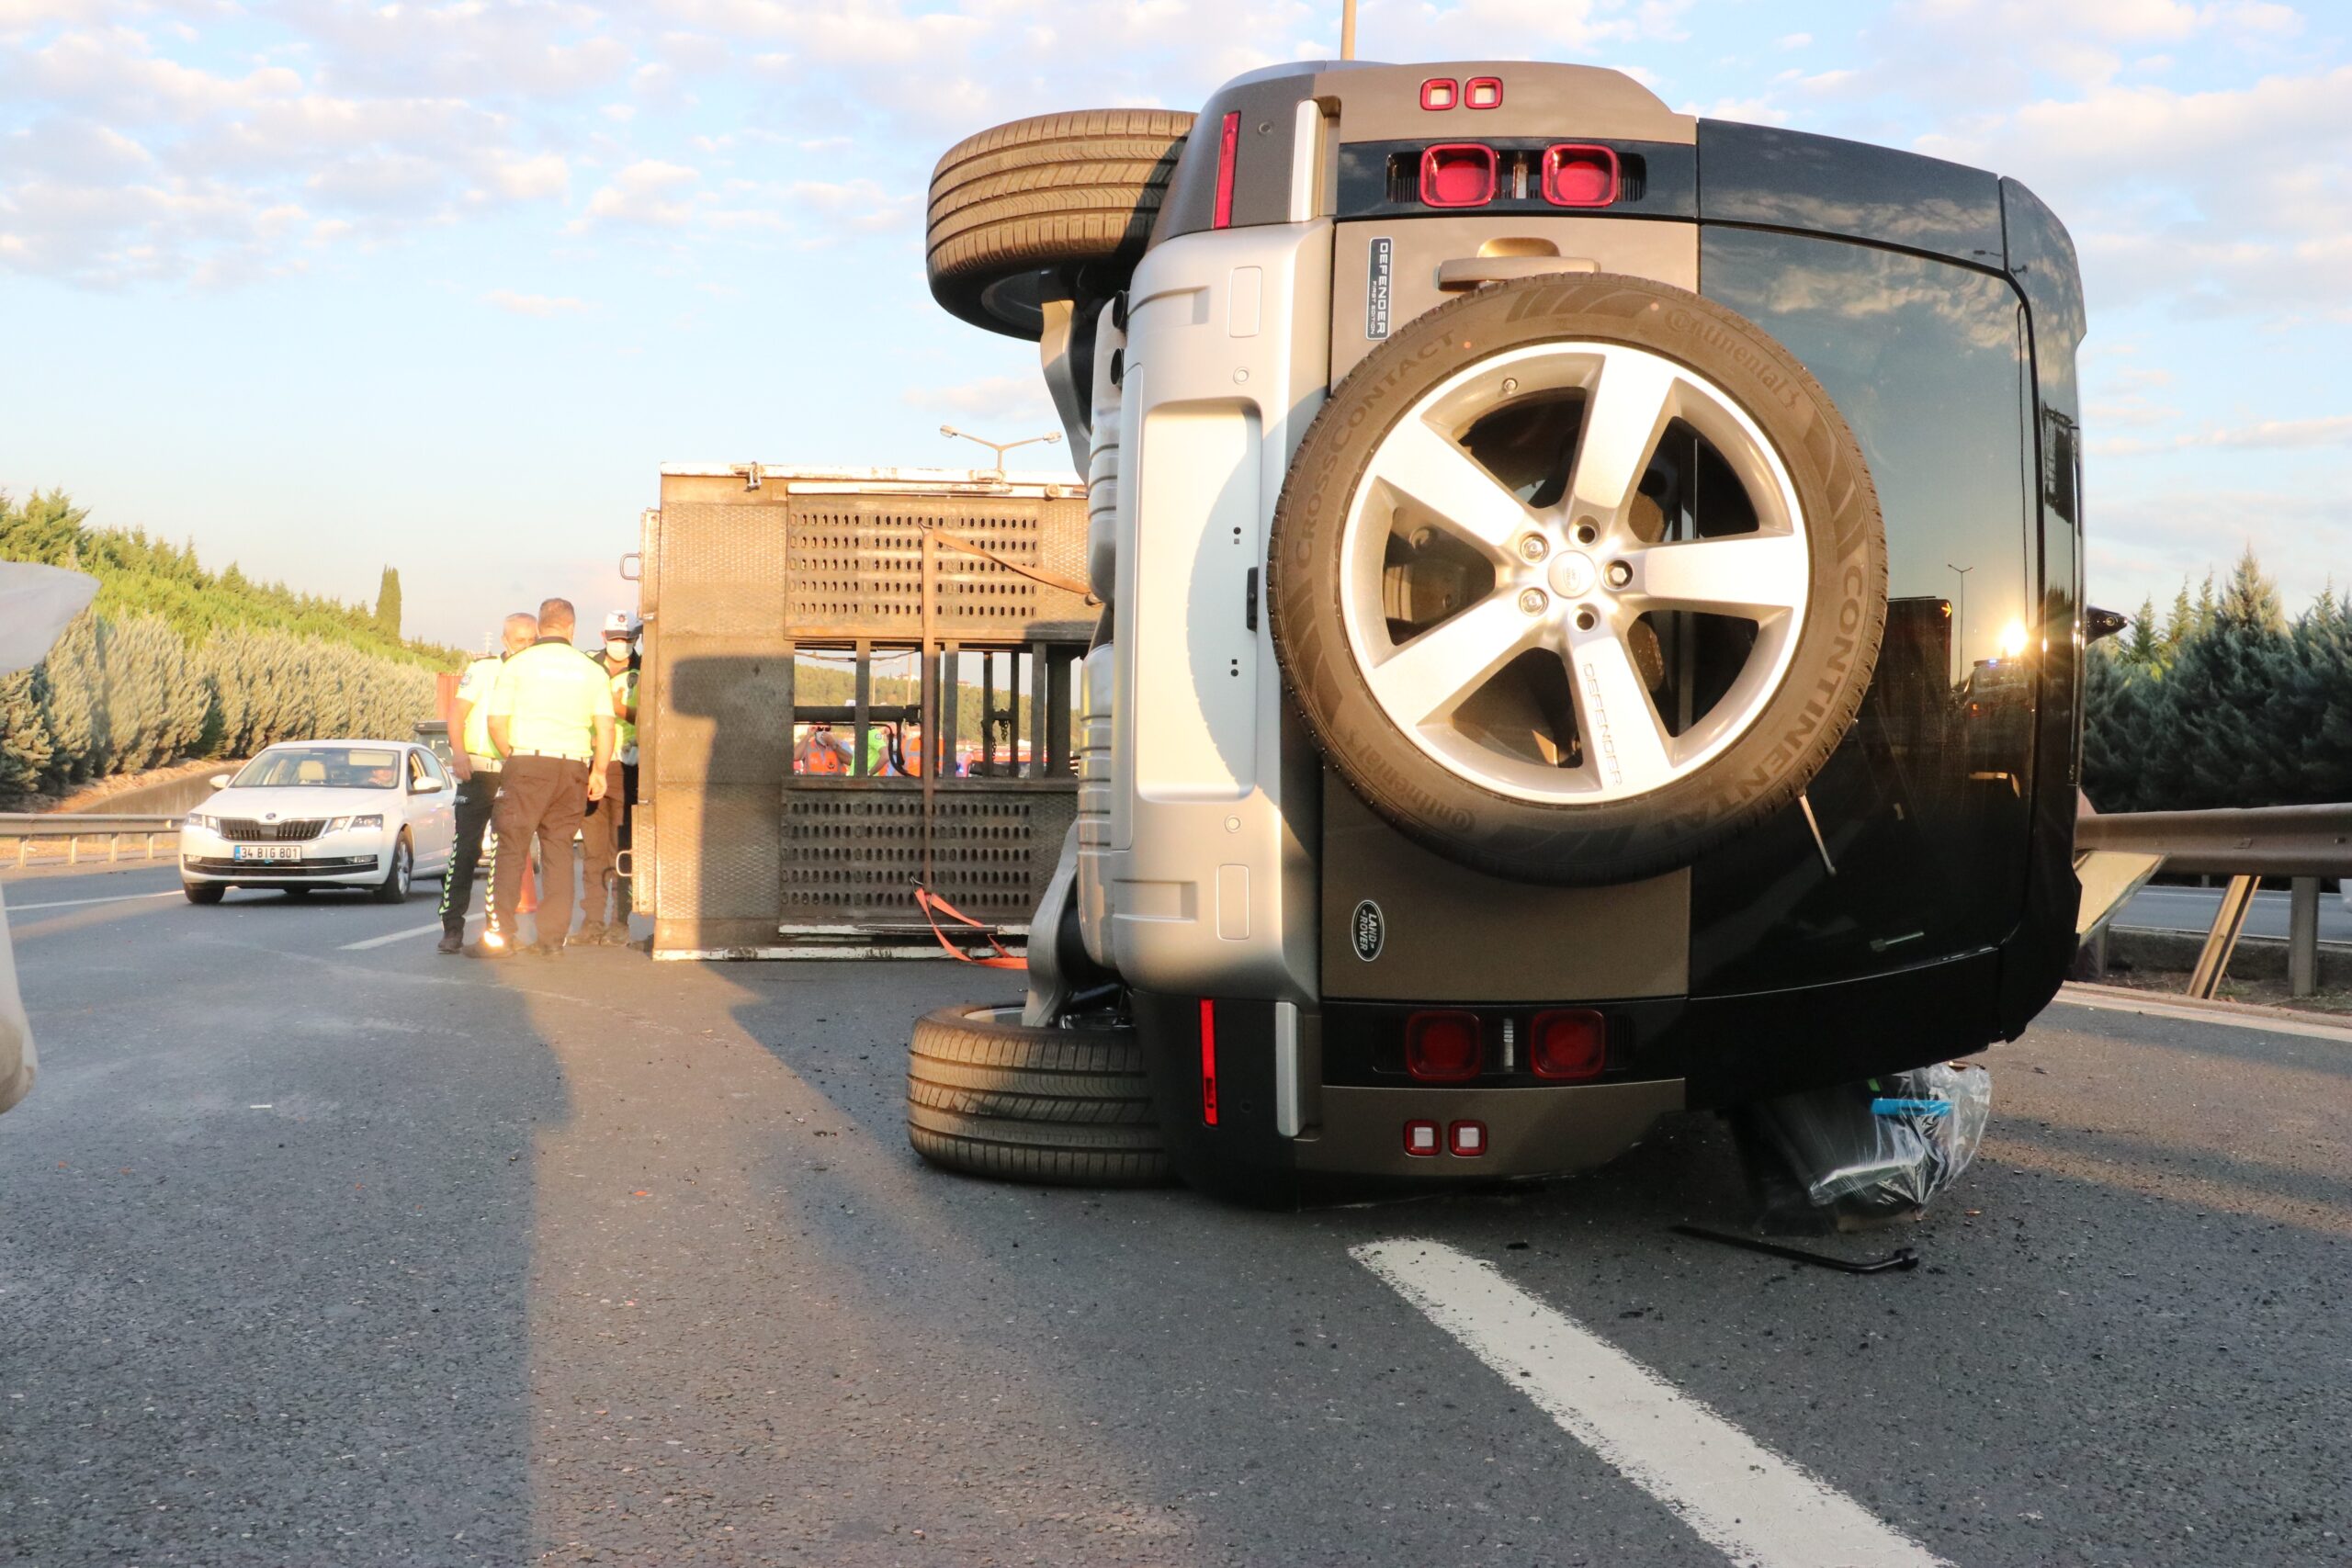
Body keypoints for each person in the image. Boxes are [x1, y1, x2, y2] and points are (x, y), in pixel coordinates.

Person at [478, 598, 613, 958]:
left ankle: (500, 936)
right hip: (572, 768)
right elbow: (605, 725)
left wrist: (512, 754)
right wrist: (598, 771)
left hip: (527, 762)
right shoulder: (591, 670)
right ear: (571, 628)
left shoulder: (519, 665)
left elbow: (495, 720)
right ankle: (552, 940)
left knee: (511, 848)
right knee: (559, 851)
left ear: (540, 627)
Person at [437, 612, 536, 955]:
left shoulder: (536, 672)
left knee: (506, 852)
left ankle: (499, 928)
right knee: (466, 850)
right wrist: (459, 753)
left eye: (532, 640)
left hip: (515, 769)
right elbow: (457, 713)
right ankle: (452, 927)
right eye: (520, 640)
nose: (526, 646)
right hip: (478, 770)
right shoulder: (483, 670)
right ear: (506, 640)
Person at [572, 612, 639, 947]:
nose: (621, 644)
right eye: (615, 637)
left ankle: (620, 921)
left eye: (627, 638)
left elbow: (653, 715)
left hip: (629, 769)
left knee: (622, 850)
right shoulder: (586, 666)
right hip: (591, 764)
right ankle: (592, 922)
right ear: (602, 635)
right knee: (593, 851)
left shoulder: (646, 669)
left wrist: (615, 708)